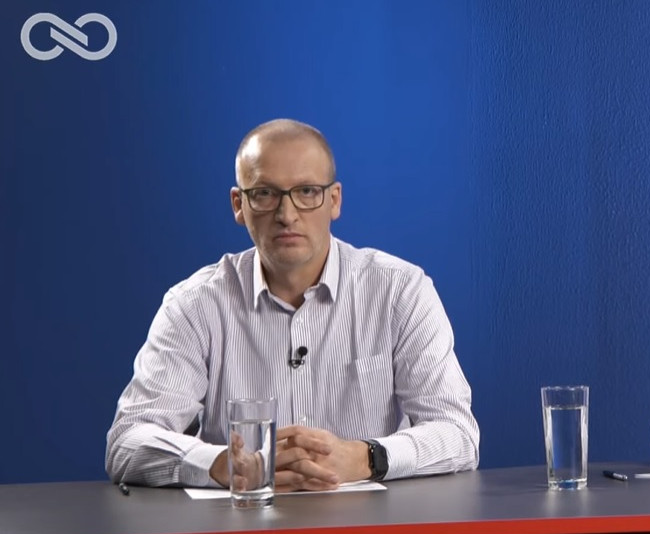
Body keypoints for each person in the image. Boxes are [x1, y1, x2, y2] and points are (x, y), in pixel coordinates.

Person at [106, 119, 479, 490]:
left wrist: (365, 458)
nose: (286, 214)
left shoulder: (400, 291)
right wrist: (223, 464)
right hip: (241, 523)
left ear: (334, 200)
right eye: (265, 194)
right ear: (239, 205)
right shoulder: (195, 304)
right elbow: (128, 440)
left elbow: (458, 433)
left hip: (372, 522)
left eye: (307, 191)